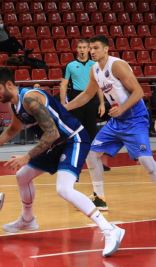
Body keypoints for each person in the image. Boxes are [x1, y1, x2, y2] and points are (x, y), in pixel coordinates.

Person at [0, 67, 124, 257]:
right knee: (23, 176)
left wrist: (26, 157)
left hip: (73, 139)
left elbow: (52, 133)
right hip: (56, 144)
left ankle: (109, 229)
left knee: (64, 189)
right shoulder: (16, 104)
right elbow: (13, 129)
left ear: (9, 84)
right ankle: (28, 220)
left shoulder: (31, 100)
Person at [65, 35, 156, 210]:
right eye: (90, 48)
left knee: (147, 164)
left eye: (96, 48)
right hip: (117, 121)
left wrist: (122, 108)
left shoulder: (117, 65)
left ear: (106, 49)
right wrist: (65, 108)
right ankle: (99, 198)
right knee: (92, 154)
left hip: (135, 118)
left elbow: (139, 92)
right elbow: (86, 95)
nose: (92, 51)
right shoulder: (94, 70)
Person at [60, 39, 112, 187]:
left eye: (85, 47)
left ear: (89, 50)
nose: (82, 50)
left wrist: (102, 103)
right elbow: (64, 85)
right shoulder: (70, 65)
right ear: (76, 49)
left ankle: (97, 163)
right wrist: (64, 103)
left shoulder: (94, 65)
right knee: (75, 134)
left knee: (92, 133)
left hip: (92, 101)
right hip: (77, 100)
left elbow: (100, 86)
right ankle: (73, 167)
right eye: (80, 47)